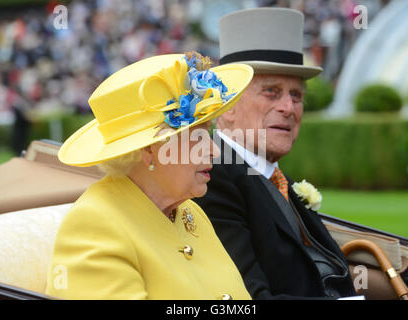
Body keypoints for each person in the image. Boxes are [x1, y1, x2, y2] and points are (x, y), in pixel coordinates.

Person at [45, 52, 254, 300]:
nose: (213, 150)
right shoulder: (94, 225)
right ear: (148, 150)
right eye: (195, 135)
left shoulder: (189, 211)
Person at [194, 8, 357, 299]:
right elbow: (249, 299)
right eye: (271, 91)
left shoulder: (272, 176)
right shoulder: (210, 175)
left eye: (296, 95)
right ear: (226, 107)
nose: (289, 107)